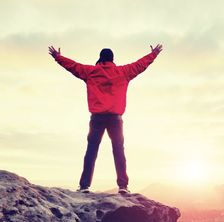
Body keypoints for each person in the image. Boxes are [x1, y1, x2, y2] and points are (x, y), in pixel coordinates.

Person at [48, 44, 163, 194]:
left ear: (100, 58)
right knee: (118, 150)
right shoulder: (123, 72)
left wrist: (57, 57)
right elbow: (140, 65)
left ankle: (84, 186)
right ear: (112, 59)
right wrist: (153, 54)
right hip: (115, 118)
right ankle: (123, 186)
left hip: (97, 118)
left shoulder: (91, 72)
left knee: (91, 150)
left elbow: (73, 66)